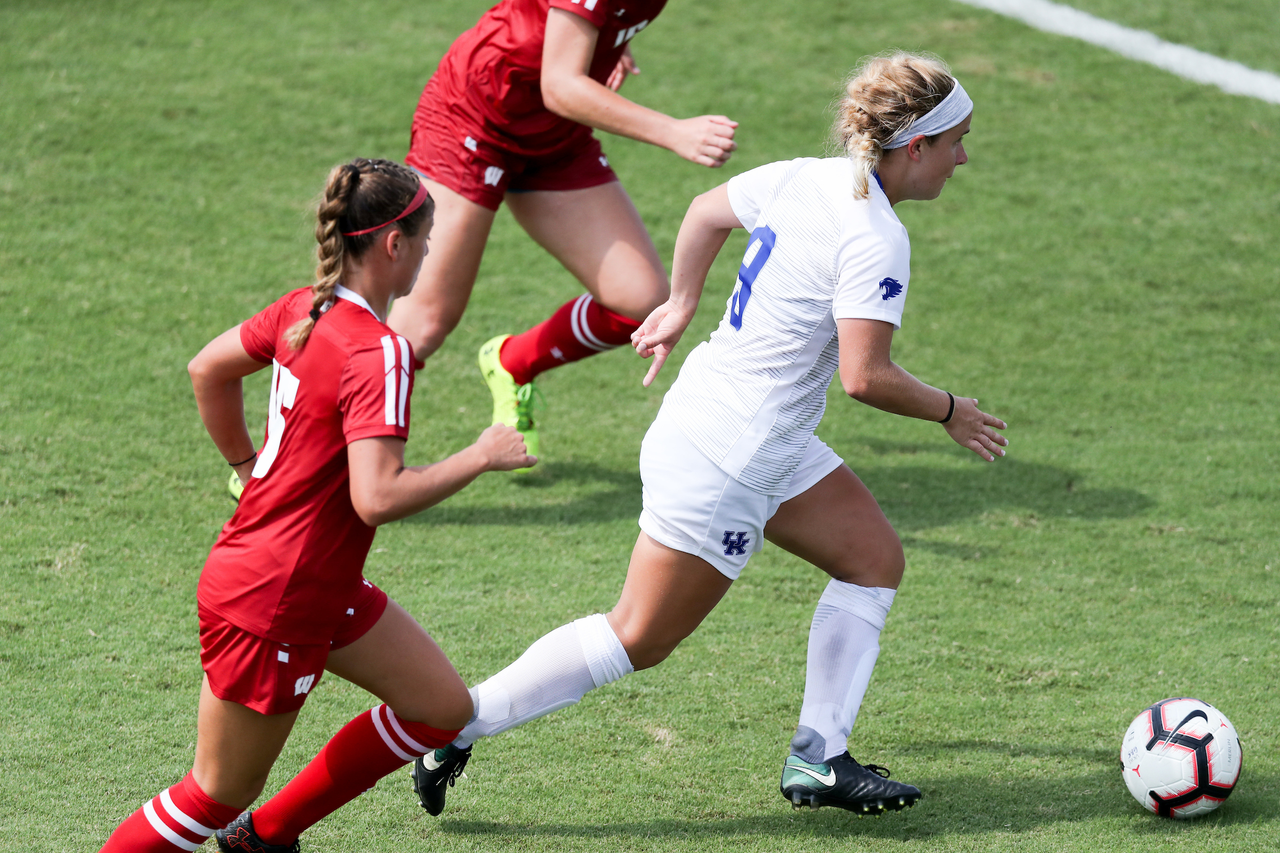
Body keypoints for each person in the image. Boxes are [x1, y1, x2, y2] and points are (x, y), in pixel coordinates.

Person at [409, 52, 1008, 816]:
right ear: (914, 146)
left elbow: (705, 209)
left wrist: (683, 301)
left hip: (737, 424)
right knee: (637, 636)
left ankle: (819, 757)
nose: (964, 157)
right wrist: (952, 409)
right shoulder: (876, 236)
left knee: (872, 559)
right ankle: (458, 724)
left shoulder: (804, 175)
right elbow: (866, 376)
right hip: (734, 456)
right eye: (956, 141)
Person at [97, 158, 535, 853]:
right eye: (427, 238)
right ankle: (239, 825)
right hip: (277, 598)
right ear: (394, 245)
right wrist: (479, 455)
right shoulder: (380, 352)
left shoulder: (304, 307)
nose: (429, 252)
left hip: (310, 581)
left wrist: (245, 463)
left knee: (439, 708)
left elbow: (206, 368)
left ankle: (263, 837)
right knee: (213, 791)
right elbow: (378, 495)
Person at [385, 0, 739, 468]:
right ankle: (297, 467)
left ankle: (514, 363)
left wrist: (602, 44)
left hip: (554, 135)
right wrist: (673, 131)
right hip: (475, 119)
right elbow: (559, 84)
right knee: (422, 325)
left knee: (640, 300)